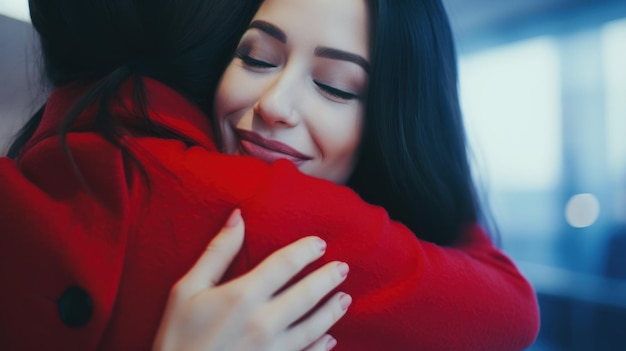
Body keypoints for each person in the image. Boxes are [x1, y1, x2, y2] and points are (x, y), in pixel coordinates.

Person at [0, 1, 539, 351]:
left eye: (335, 86)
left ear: (393, 126)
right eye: (255, 57)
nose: (275, 103)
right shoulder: (249, 214)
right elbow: (511, 308)